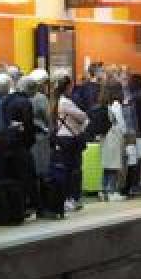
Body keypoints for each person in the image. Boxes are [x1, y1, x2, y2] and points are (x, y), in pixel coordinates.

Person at [47, 72, 88, 218]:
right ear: (68, 87)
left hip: (59, 138)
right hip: (70, 138)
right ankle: (72, 199)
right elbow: (83, 116)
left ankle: (64, 198)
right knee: (74, 169)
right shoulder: (65, 102)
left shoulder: (53, 101)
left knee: (63, 169)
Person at [4, 75, 38, 211]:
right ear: (31, 90)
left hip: (7, 143)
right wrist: (30, 141)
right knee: (27, 175)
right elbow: (28, 125)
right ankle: (33, 205)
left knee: (13, 176)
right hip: (21, 144)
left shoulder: (7, 99)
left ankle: (16, 206)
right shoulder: (25, 103)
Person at [98, 81, 128, 201]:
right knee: (114, 165)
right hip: (114, 136)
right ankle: (111, 191)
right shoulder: (116, 104)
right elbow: (121, 123)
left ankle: (103, 190)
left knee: (106, 164)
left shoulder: (104, 104)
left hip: (104, 136)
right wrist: (125, 133)